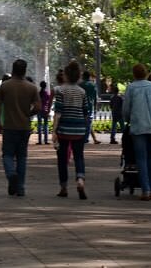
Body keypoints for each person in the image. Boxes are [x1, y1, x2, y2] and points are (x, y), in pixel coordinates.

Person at [0, 58, 41, 197]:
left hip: (9, 126)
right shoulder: (31, 87)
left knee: (7, 155)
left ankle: (11, 174)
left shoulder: (5, 86)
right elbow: (38, 106)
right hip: (24, 126)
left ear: (13, 70)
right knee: (22, 157)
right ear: (25, 71)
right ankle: (20, 188)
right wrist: (28, 114)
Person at [123, 63, 151, 201]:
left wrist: (127, 120)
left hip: (138, 127)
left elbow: (126, 109)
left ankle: (145, 190)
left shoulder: (131, 88)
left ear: (134, 74)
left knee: (141, 158)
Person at [53, 60, 89, 199]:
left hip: (64, 129)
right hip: (79, 129)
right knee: (79, 156)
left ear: (66, 76)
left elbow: (58, 112)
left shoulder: (61, 91)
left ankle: (63, 187)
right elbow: (86, 112)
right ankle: (80, 180)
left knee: (62, 159)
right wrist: (85, 128)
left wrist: (54, 131)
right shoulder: (82, 91)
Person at [80, 71, 100, 144]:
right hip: (90, 106)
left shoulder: (80, 85)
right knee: (88, 122)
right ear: (89, 77)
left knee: (85, 123)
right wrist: (95, 108)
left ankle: (85, 138)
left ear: (83, 76)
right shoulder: (93, 85)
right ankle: (87, 139)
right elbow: (95, 98)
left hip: (81, 106)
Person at [36, 80, 52, 145]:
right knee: (45, 125)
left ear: (40, 86)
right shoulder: (47, 94)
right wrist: (48, 110)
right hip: (45, 110)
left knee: (39, 125)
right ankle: (46, 140)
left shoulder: (38, 94)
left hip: (39, 110)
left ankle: (40, 141)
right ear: (45, 86)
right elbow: (49, 102)